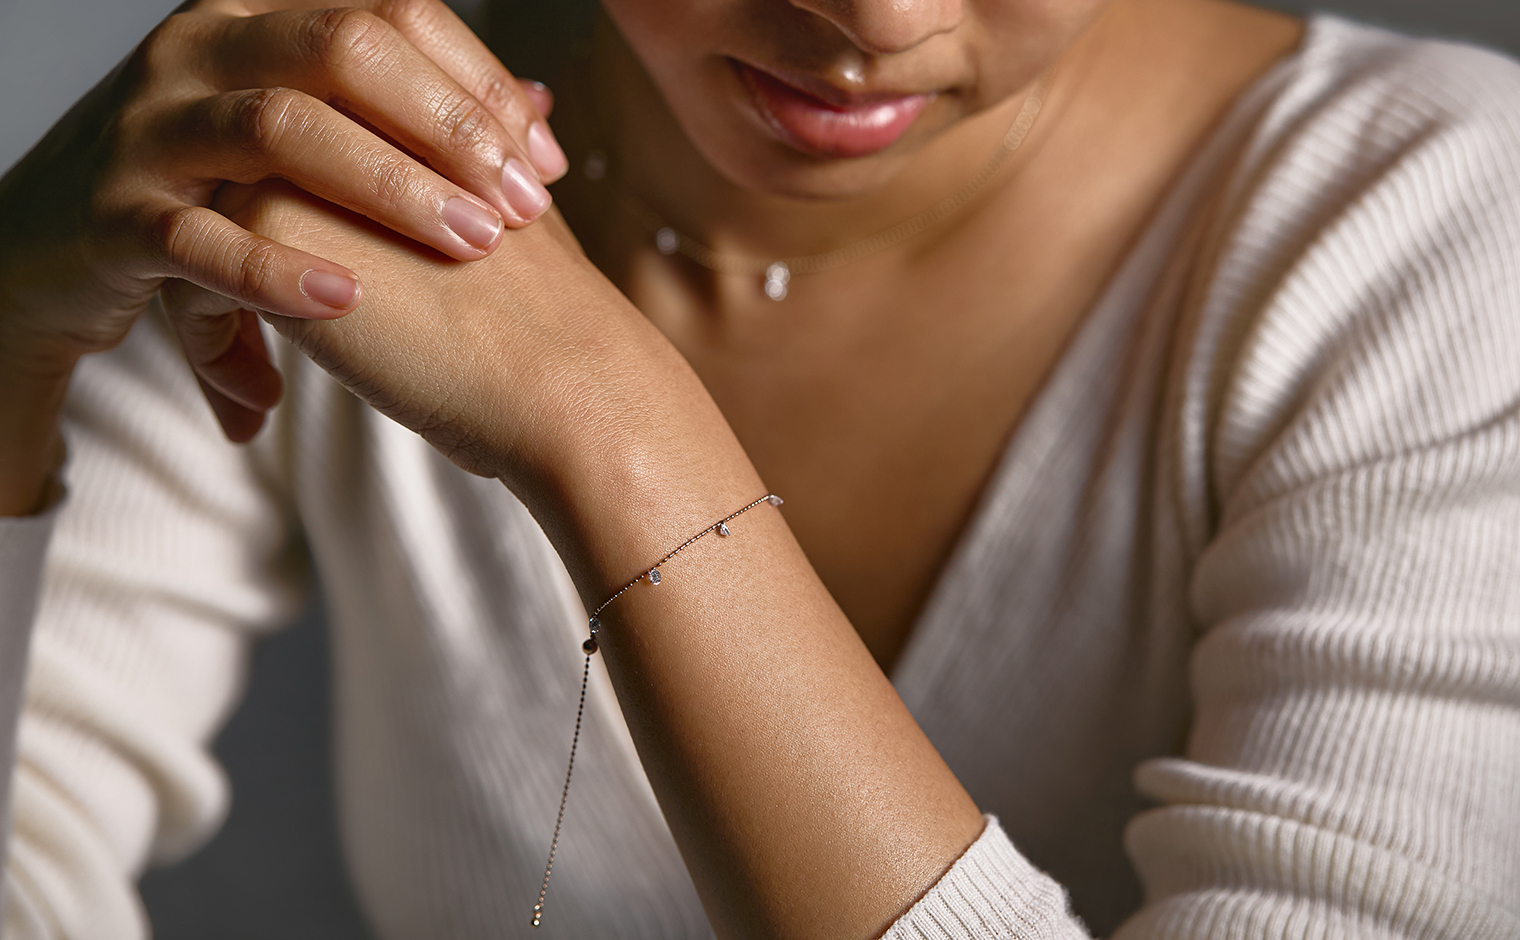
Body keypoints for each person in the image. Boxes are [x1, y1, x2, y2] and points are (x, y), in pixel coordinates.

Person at [0, 0, 1517, 936]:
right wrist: (12, 339)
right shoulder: (344, 141)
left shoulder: (1435, 231)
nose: (876, 18)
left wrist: (612, 430)